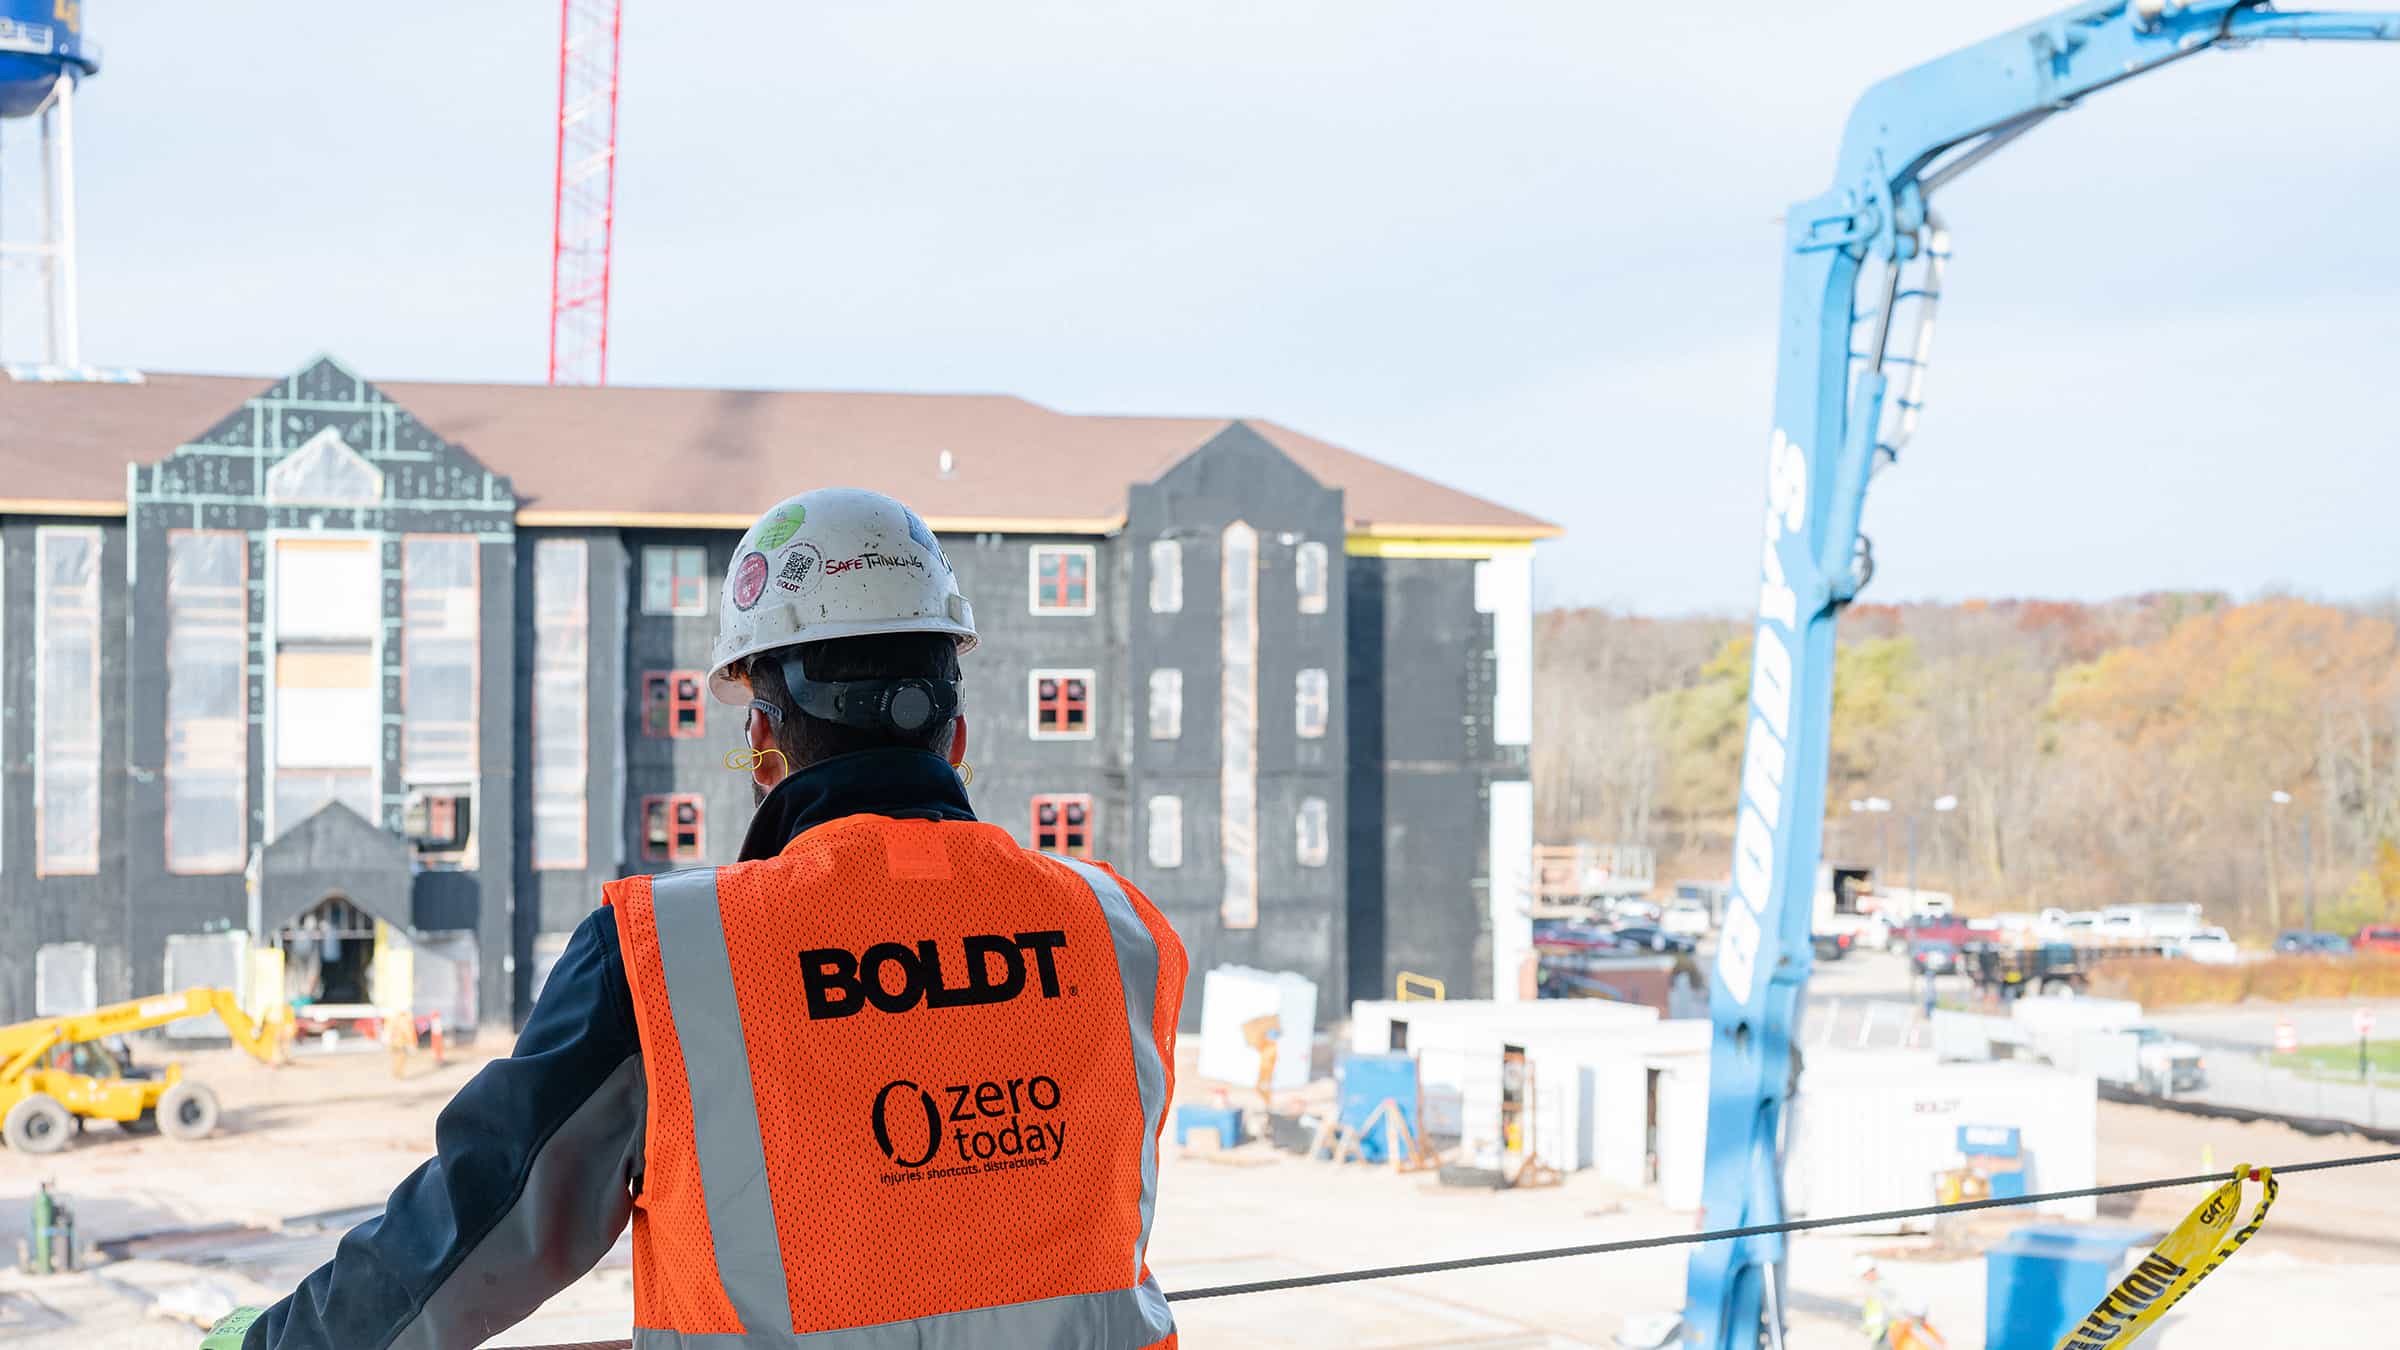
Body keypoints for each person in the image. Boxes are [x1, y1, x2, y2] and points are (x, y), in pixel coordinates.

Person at [204, 488, 1187, 1350]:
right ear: (958, 736)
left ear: (762, 739)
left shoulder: (673, 959)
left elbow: (472, 1227)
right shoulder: (1120, 930)